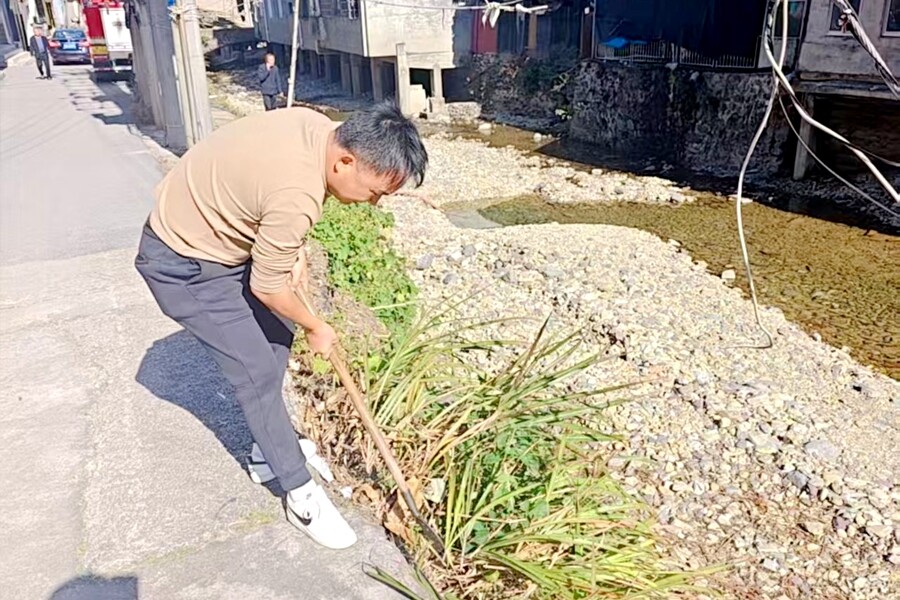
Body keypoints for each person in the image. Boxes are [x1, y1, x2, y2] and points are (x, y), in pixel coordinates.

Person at [134, 101, 427, 549]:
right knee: (256, 372)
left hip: (220, 242)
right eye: (374, 193)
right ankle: (299, 492)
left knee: (275, 334)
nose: (373, 203)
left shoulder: (317, 127)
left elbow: (267, 198)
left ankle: (265, 447)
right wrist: (316, 326)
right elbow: (268, 285)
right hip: (182, 264)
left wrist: (295, 250)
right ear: (345, 161)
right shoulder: (297, 196)